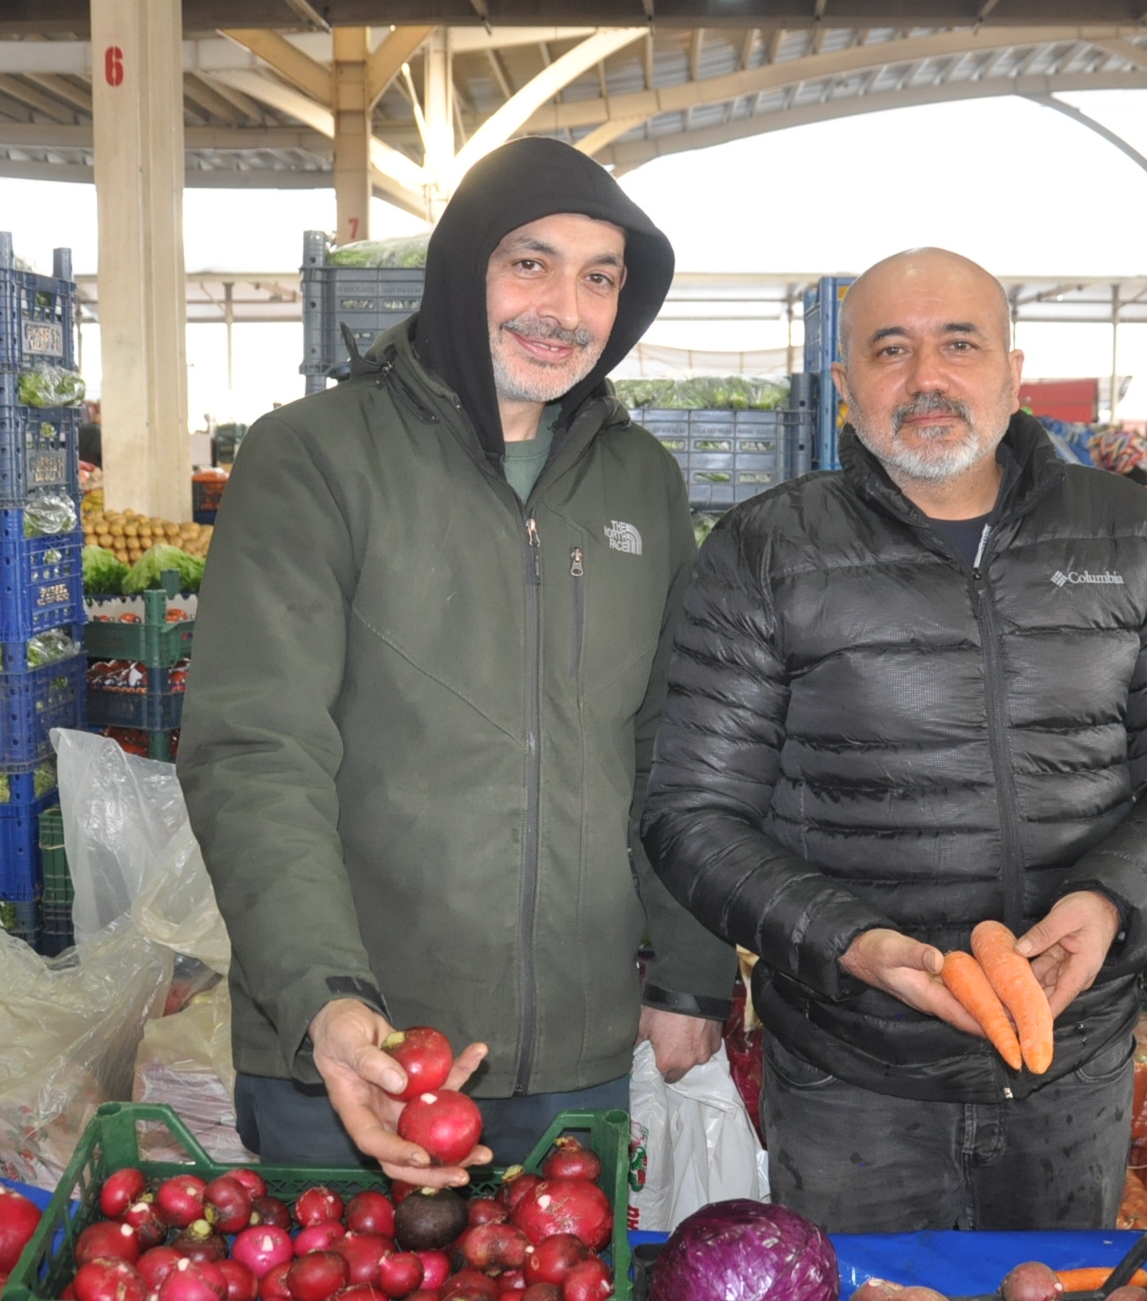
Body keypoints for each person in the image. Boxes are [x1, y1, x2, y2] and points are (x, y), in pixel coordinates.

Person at [641, 247, 1147, 1231]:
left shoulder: (1122, 533)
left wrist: (1108, 901)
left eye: (957, 343)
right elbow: (691, 815)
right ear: (844, 388)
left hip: (1070, 1063)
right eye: (890, 349)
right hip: (853, 1075)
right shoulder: (766, 552)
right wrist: (857, 945)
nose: (926, 377)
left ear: (1012, 371)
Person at [179, 138, 736, 1185]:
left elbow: (674, 741)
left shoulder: (640, 482)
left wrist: (692, 970)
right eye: (529, 262)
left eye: (599, 276)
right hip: (360, 1055)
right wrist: (323, 998)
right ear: (460, 266)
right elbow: (256, 746)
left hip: (578, 1053)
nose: (563, 307)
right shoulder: (314, 456)